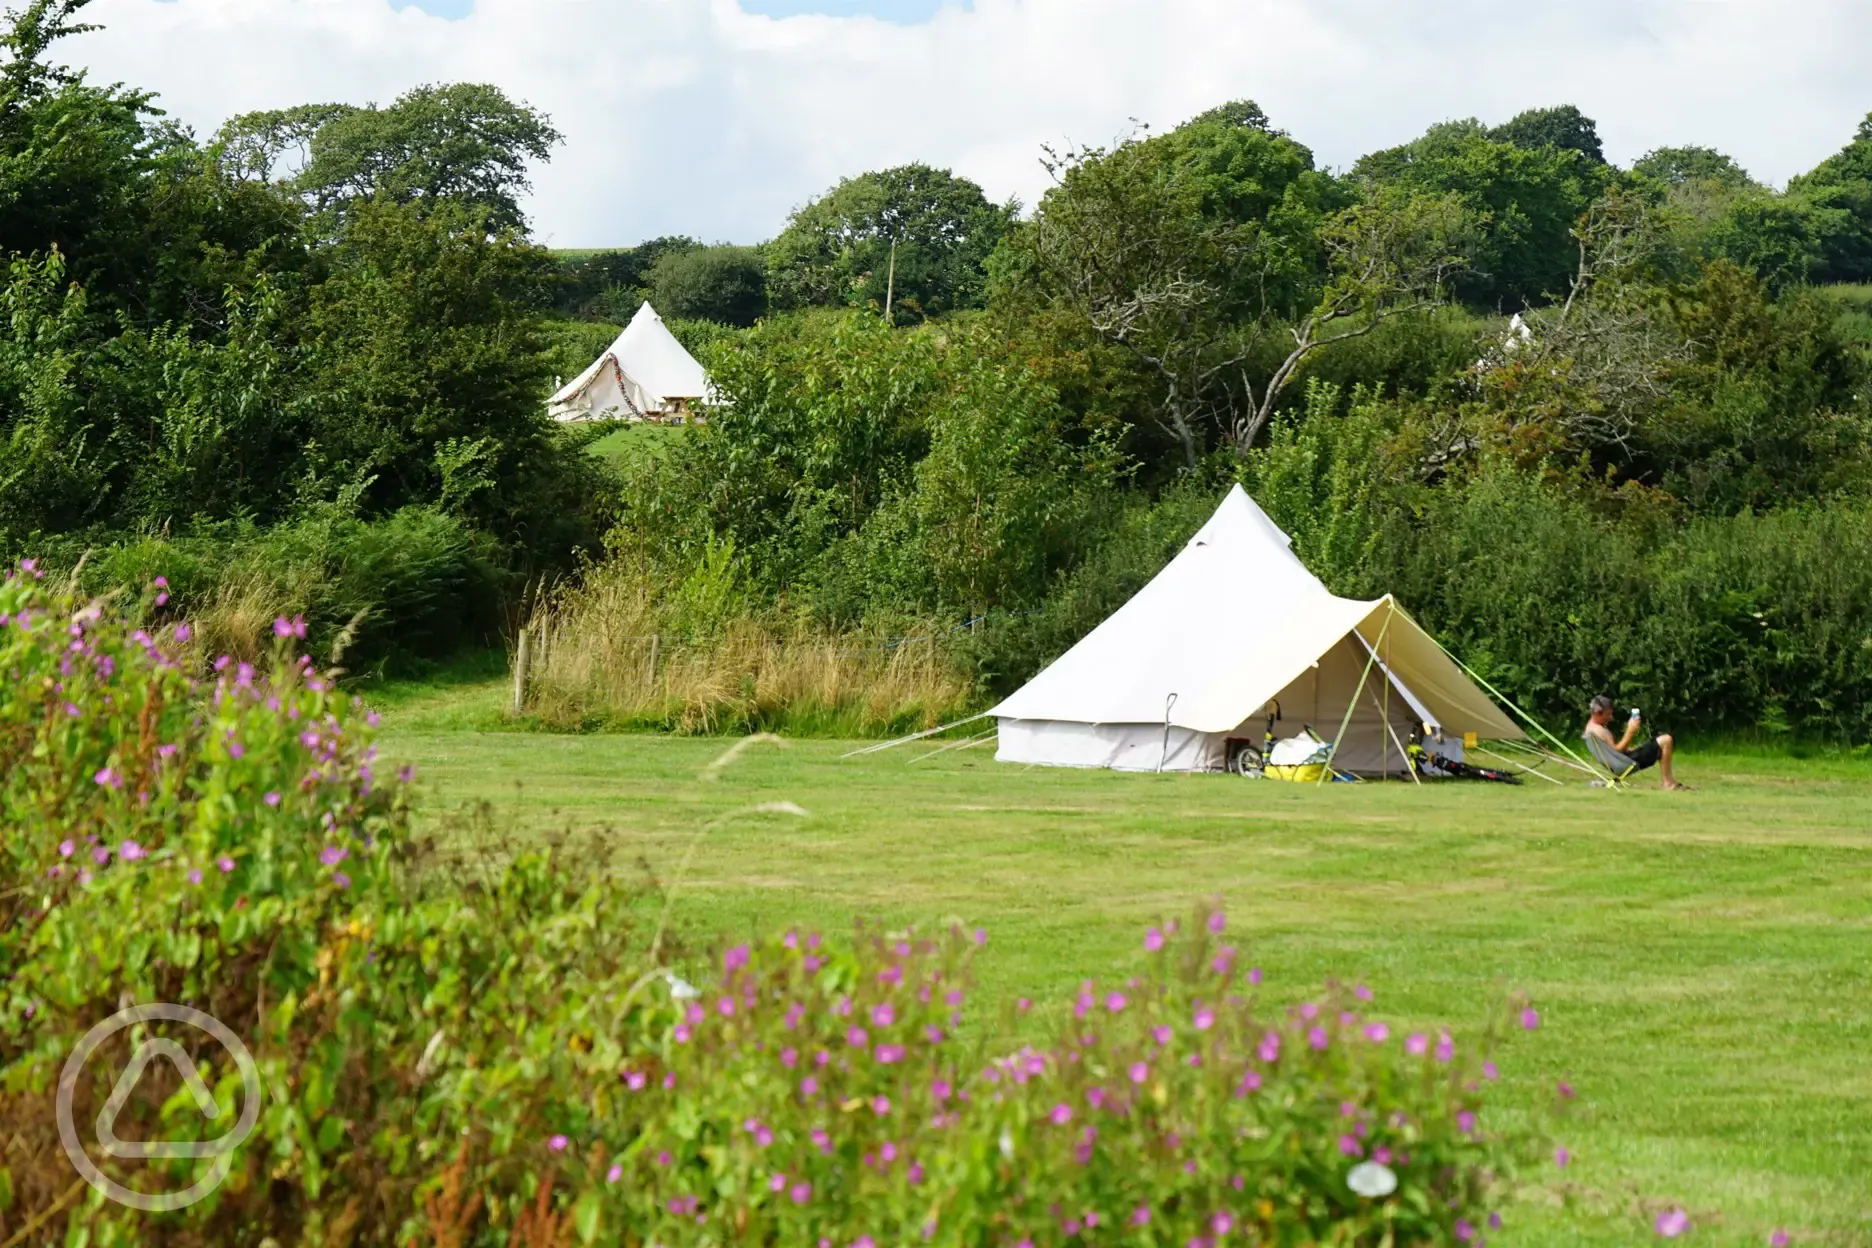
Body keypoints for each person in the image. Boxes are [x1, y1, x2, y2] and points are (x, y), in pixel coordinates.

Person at [1584, 695, 1687, 790]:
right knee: (1666, 740)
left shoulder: (1591, 728)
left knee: (1660, 740)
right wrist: (1630, 731)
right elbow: (1617, 750)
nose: (1611, 718)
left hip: (1622, 760)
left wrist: (1632, 748)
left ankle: (1668, 782)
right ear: (1598, 713)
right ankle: (1668, 782)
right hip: (1626, 763)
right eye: (1608, 714)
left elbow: (1613, 752)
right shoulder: (1599, 730)